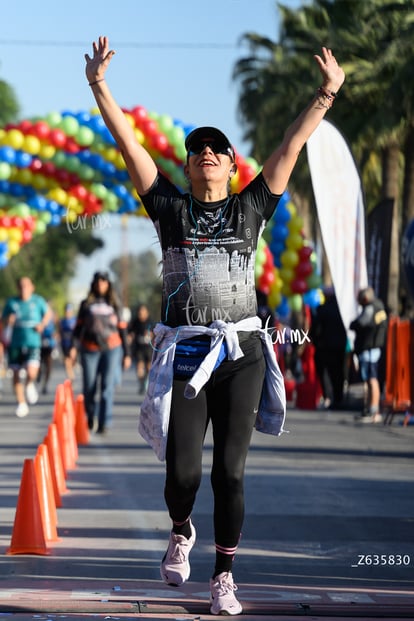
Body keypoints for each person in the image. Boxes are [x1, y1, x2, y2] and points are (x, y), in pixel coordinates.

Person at [85, 36, 344, 615]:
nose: (206, 153)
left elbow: (293, 142)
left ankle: (224, 574)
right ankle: (181, 529)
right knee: (182, 470)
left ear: (232, 165)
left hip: (243, 352)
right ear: (186, 165)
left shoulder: (252, 206)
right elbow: (127, 143)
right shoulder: (170, 208)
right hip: (186, 353)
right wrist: (100, 86)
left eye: (216, 149)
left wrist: (328, 91)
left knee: (230, 471)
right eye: (196, 149)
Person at [71, 271, 131, 433]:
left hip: (111, 349)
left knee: (106, 387)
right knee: (89, 386)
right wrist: (72, 347)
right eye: (98, 281)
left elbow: (122, 330)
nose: (100, 284)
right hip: (89, 348)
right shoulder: (86, 304)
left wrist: (127, 354)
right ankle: (90, 416)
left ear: (108, 284)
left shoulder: (114, 304)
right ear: (94, 284)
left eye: (104, 281)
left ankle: (104, 421)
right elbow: (78, 328)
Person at [1, 276, 52, 417]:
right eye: (21, 286)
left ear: (32, 287)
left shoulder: (38, 301)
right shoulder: (12, 303)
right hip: (15, 343)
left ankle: (29, 384)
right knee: (16, 374)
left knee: (31, 372)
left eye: (26, 285)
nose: (23, 288)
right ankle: (21, 403)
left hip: (33, 343)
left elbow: (48, 314)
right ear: (17, 288)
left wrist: (42, 324)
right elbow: (3, 320)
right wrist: (7, 320)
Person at [350, 286, 387, 423]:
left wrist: (353, 324)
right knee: (371, 379)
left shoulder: (371, 308)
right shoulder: (380, 307)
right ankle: (371, 409)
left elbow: (360, 323)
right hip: (373, 348)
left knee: (371, 379)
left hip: (369, 348)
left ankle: (373, 410)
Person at [310, 287, 347, 409]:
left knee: (326, 372)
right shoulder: (342, 310)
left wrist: (315, 341)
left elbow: (316, 328)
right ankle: (339, 397)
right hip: (340, 345)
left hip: (325, 346)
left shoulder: (322, 309)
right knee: (339, 372)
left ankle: (328, 397)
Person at [128, 303, 154, 394]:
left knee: (149, 368)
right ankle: (142, 383)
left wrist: (151, 334)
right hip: (139, 348)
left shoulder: (151, 322)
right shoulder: (135, 322)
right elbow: (130, 332)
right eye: (140, 312)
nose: (141, 314)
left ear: (147, 313)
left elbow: (156, 334)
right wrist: (130, 337)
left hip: (149, 349)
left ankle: (147, 381)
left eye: (143, 312)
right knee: (139, 368)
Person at [37, 307, 58, 394]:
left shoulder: (53, 319)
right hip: (39, 344)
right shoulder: (38, 316)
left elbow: (57, 331)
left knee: (49, 366)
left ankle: (45, 385)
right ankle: (39, 374)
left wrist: (55, 335)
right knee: (39, 364)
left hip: (49, 345)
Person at [59, 303, 77, 381]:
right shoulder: (62, 321)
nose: (67, 313)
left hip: (73, 344)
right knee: (67, 363)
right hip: (64, 345)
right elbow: (59, 332)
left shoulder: (75, 320)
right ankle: (71, 378)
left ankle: (72, 375)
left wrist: (75, 346)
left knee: (72, 362)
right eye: (66, 311)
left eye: (69, 311)